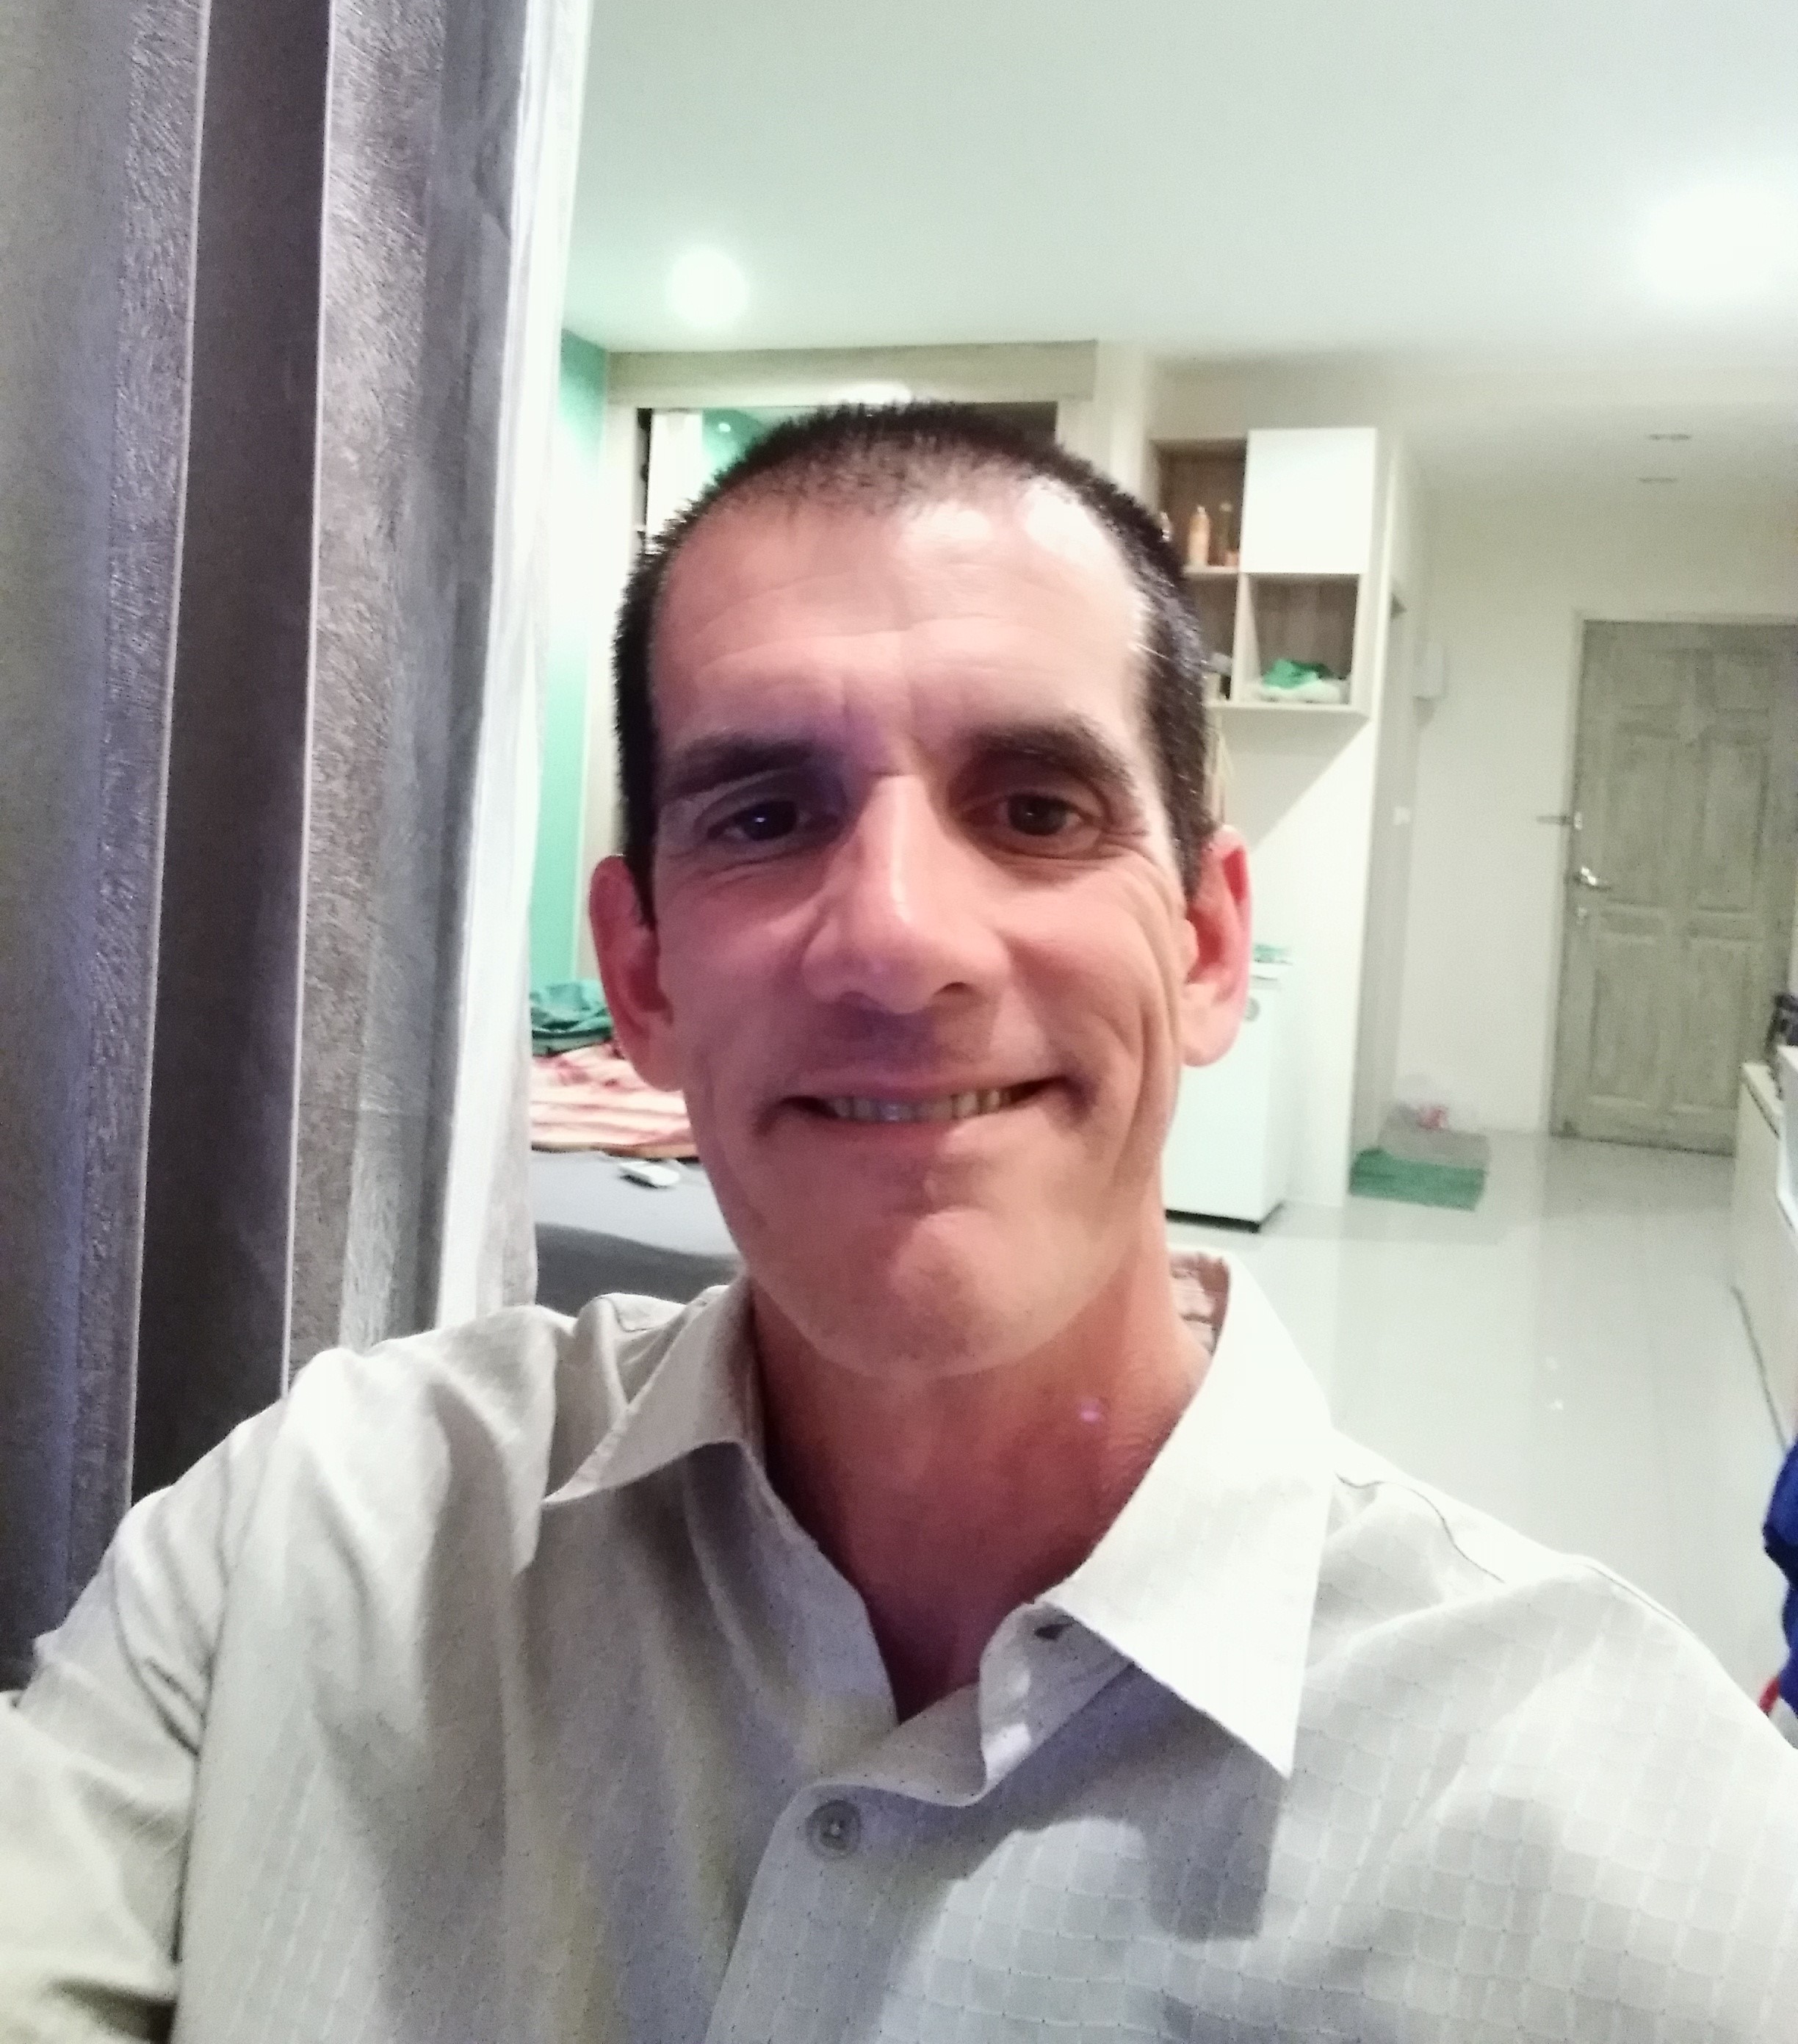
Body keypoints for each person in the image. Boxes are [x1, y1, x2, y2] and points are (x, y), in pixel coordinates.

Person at [3, 405, 1795, 2040]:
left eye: (1038, 808)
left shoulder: (1651, 1852)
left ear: (1206, 944)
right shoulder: (301, 1545)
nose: (898, 939)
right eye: (767, 814)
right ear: (641, 975)